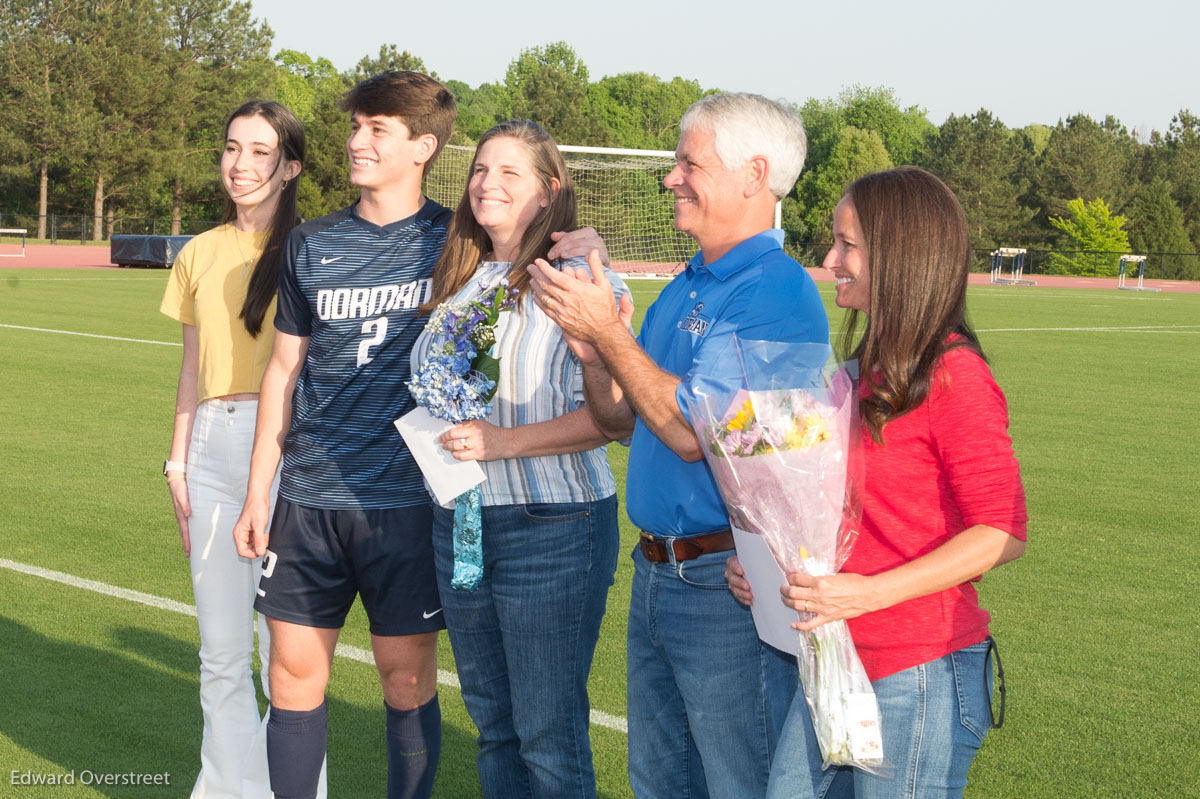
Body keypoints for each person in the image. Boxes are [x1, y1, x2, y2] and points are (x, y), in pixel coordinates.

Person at [231, 73, 608, 799]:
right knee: (289, 675)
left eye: (376, 128)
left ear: (423, 147)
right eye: (355, 126)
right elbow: (282, 372)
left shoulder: (456, 241)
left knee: (408, 681)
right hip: (309, 499)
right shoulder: (312, 242)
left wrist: (580, 238)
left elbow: (534, 242)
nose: (354, 141)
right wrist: (259, 492)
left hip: (409, 504)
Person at [528, 93, 828, 799]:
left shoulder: (775, 290)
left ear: (754, 177)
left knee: (739, 781)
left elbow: (695, 436)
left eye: (689, 163)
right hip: (660, 572)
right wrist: (596, 354)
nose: (671, 178)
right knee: (660, 782)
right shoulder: (689, 283)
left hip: (728, 585)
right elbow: (621, 421)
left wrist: (611, 334)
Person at [727, 166, 1028, 799]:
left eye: (847, 244)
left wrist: (865, 594)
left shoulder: (955, 376)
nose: (830, 258)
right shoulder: (860, 373)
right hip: (837, 659)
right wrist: (766, 563)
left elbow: (1001, 533)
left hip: (917, 668)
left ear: (898, 254)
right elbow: (832, 511)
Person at [410, 119, 632, 799]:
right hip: (465, 523)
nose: (487, 183)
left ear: (550, 190)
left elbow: (615, 418)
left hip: (553, 525)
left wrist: (502, 441)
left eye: (510, 172)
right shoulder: (461, 273)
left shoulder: (577, 274)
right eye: (480, 169)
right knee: (495, 724)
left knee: (547, 733)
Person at [160, 100, 326, 798]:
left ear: (289, 166)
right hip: (210, 447)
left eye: (260, 151)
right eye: (232, 147)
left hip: (285, 449)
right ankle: (227, 787)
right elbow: (192, 367)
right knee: (221, 654)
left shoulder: (312, 248)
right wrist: (177, 458)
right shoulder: (198, 250)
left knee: (283, 656)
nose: (240, 164)